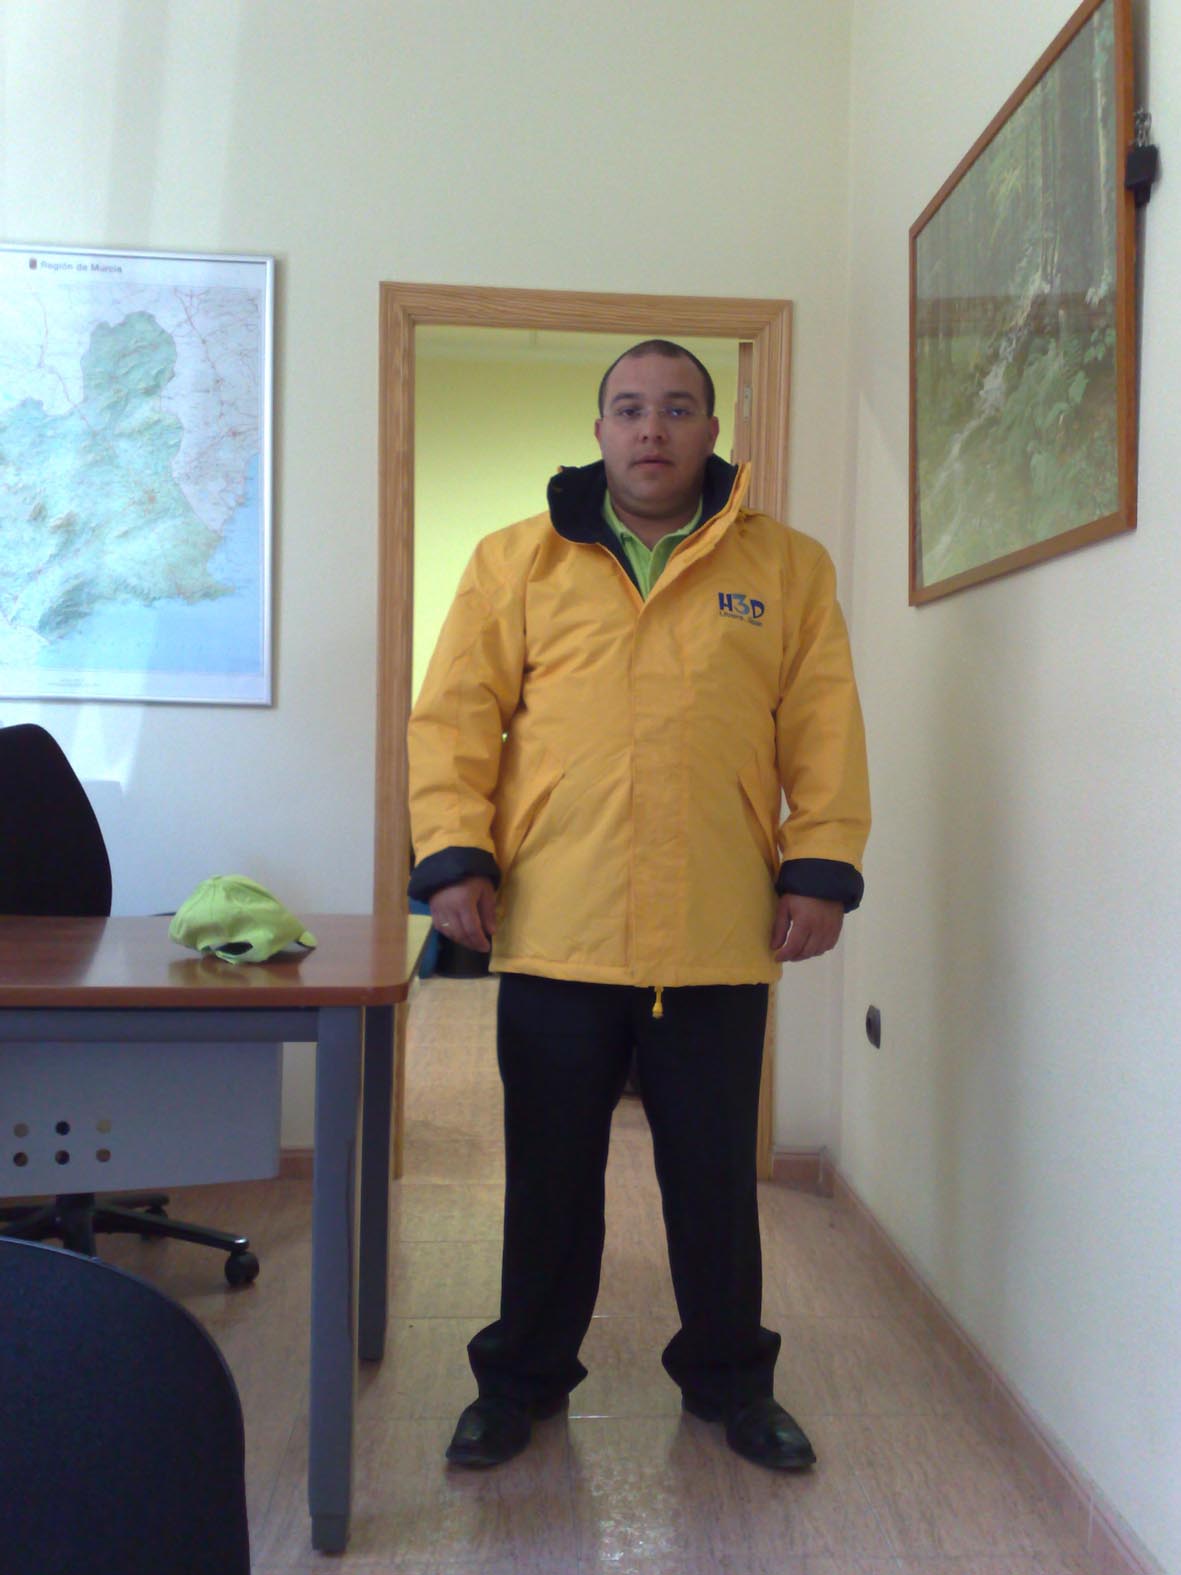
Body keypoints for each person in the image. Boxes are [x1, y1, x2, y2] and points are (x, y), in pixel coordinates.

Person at [407, 339, 870, 1472]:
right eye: (627, 408)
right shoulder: (517, 560)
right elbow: (454, 717)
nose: (650, 428)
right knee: (549, 1181)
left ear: (713, 429)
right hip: (558, 928)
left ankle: (730, 1382)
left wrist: (818, 865)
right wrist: (455, 854)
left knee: (711, 1182)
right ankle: (518, 1381)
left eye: (675, 408)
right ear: (599, 430)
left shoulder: (786, 566)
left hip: (715, 930)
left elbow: (823, 724)